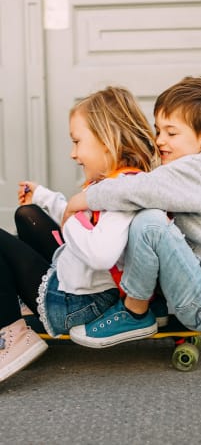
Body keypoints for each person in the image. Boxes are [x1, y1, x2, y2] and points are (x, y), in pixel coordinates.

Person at [65, 76, 201, 348]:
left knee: (149, 222)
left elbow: (139, 189)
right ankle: (155, 307)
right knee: (152, 219)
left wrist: (84, 199)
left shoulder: (200, 170)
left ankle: (134, 312)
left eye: (171, 133)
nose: (160, 140)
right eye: (157, 130)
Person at [0, 86, 158, 383]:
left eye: (77, 142)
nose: (73, 153)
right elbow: (86, 223)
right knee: (27, 215)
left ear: (107, 141)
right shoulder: (121, 182)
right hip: (78, 286)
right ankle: (17, 295)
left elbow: (100, 253)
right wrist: (46, 197)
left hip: (74, 305)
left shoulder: (119, 194)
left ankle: (11, 337)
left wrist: (72, 217)